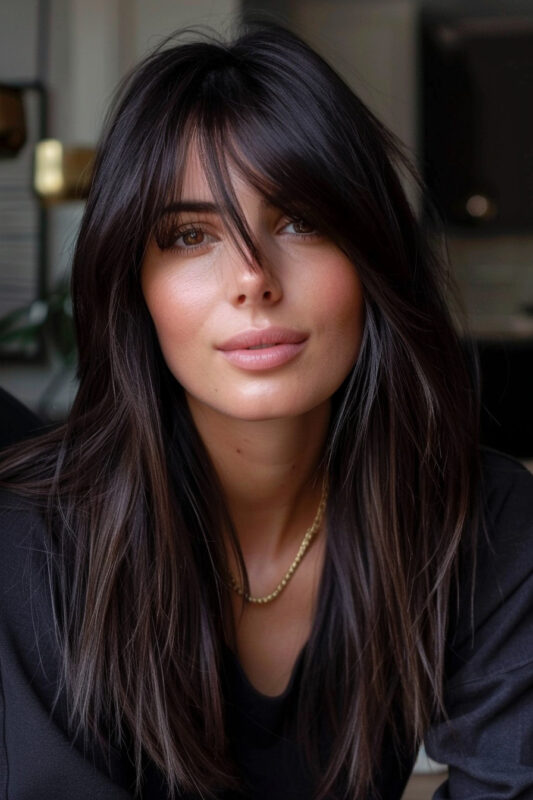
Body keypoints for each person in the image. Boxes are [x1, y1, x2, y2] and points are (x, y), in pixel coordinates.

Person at [1, 21, 532, 800]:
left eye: (298, 221)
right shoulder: (30, 540)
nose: (251, 278)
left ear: (371, 252)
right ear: (133, 286)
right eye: (189, 235)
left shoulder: (484, 518)